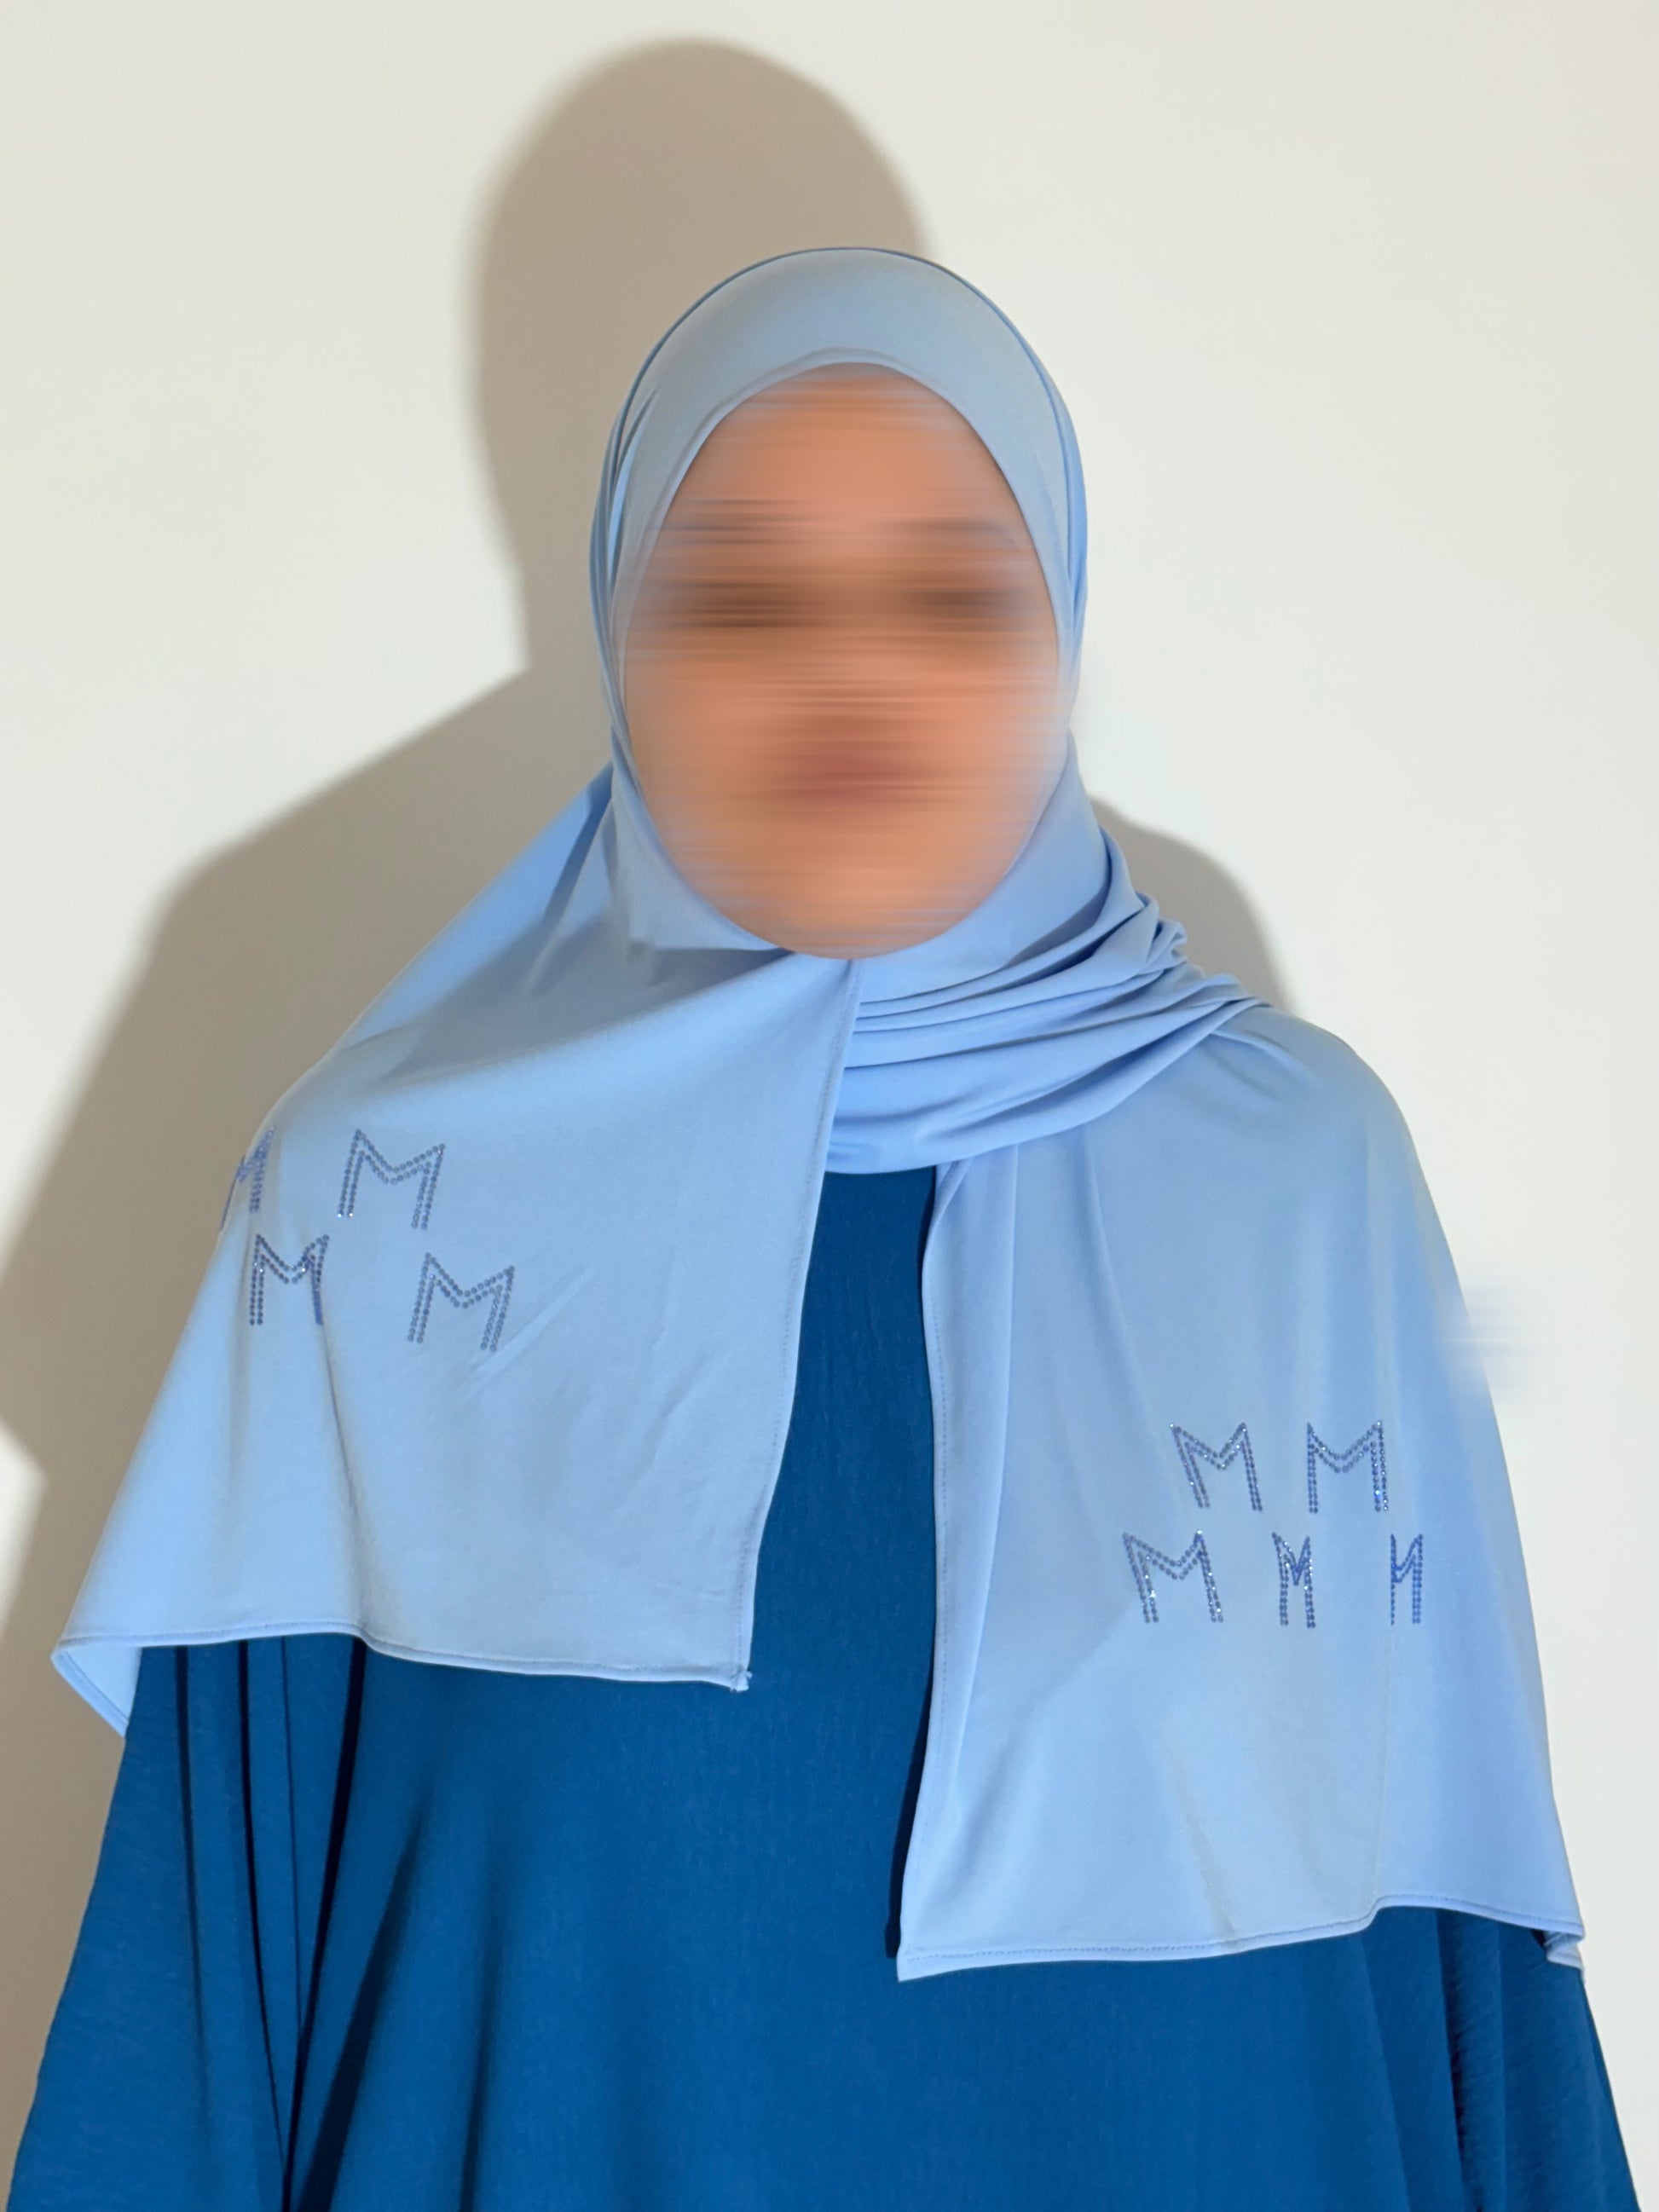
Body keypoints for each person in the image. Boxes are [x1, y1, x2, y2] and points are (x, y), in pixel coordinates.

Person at [9, 248, 1638, 2210]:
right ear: (621, 634)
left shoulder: (1298, 1185)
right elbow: (199, 2005)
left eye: (948, 595)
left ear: (1057, 632)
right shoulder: (381, 1218)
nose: (848, 674)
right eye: (743, 597)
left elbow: (1459, 1974)